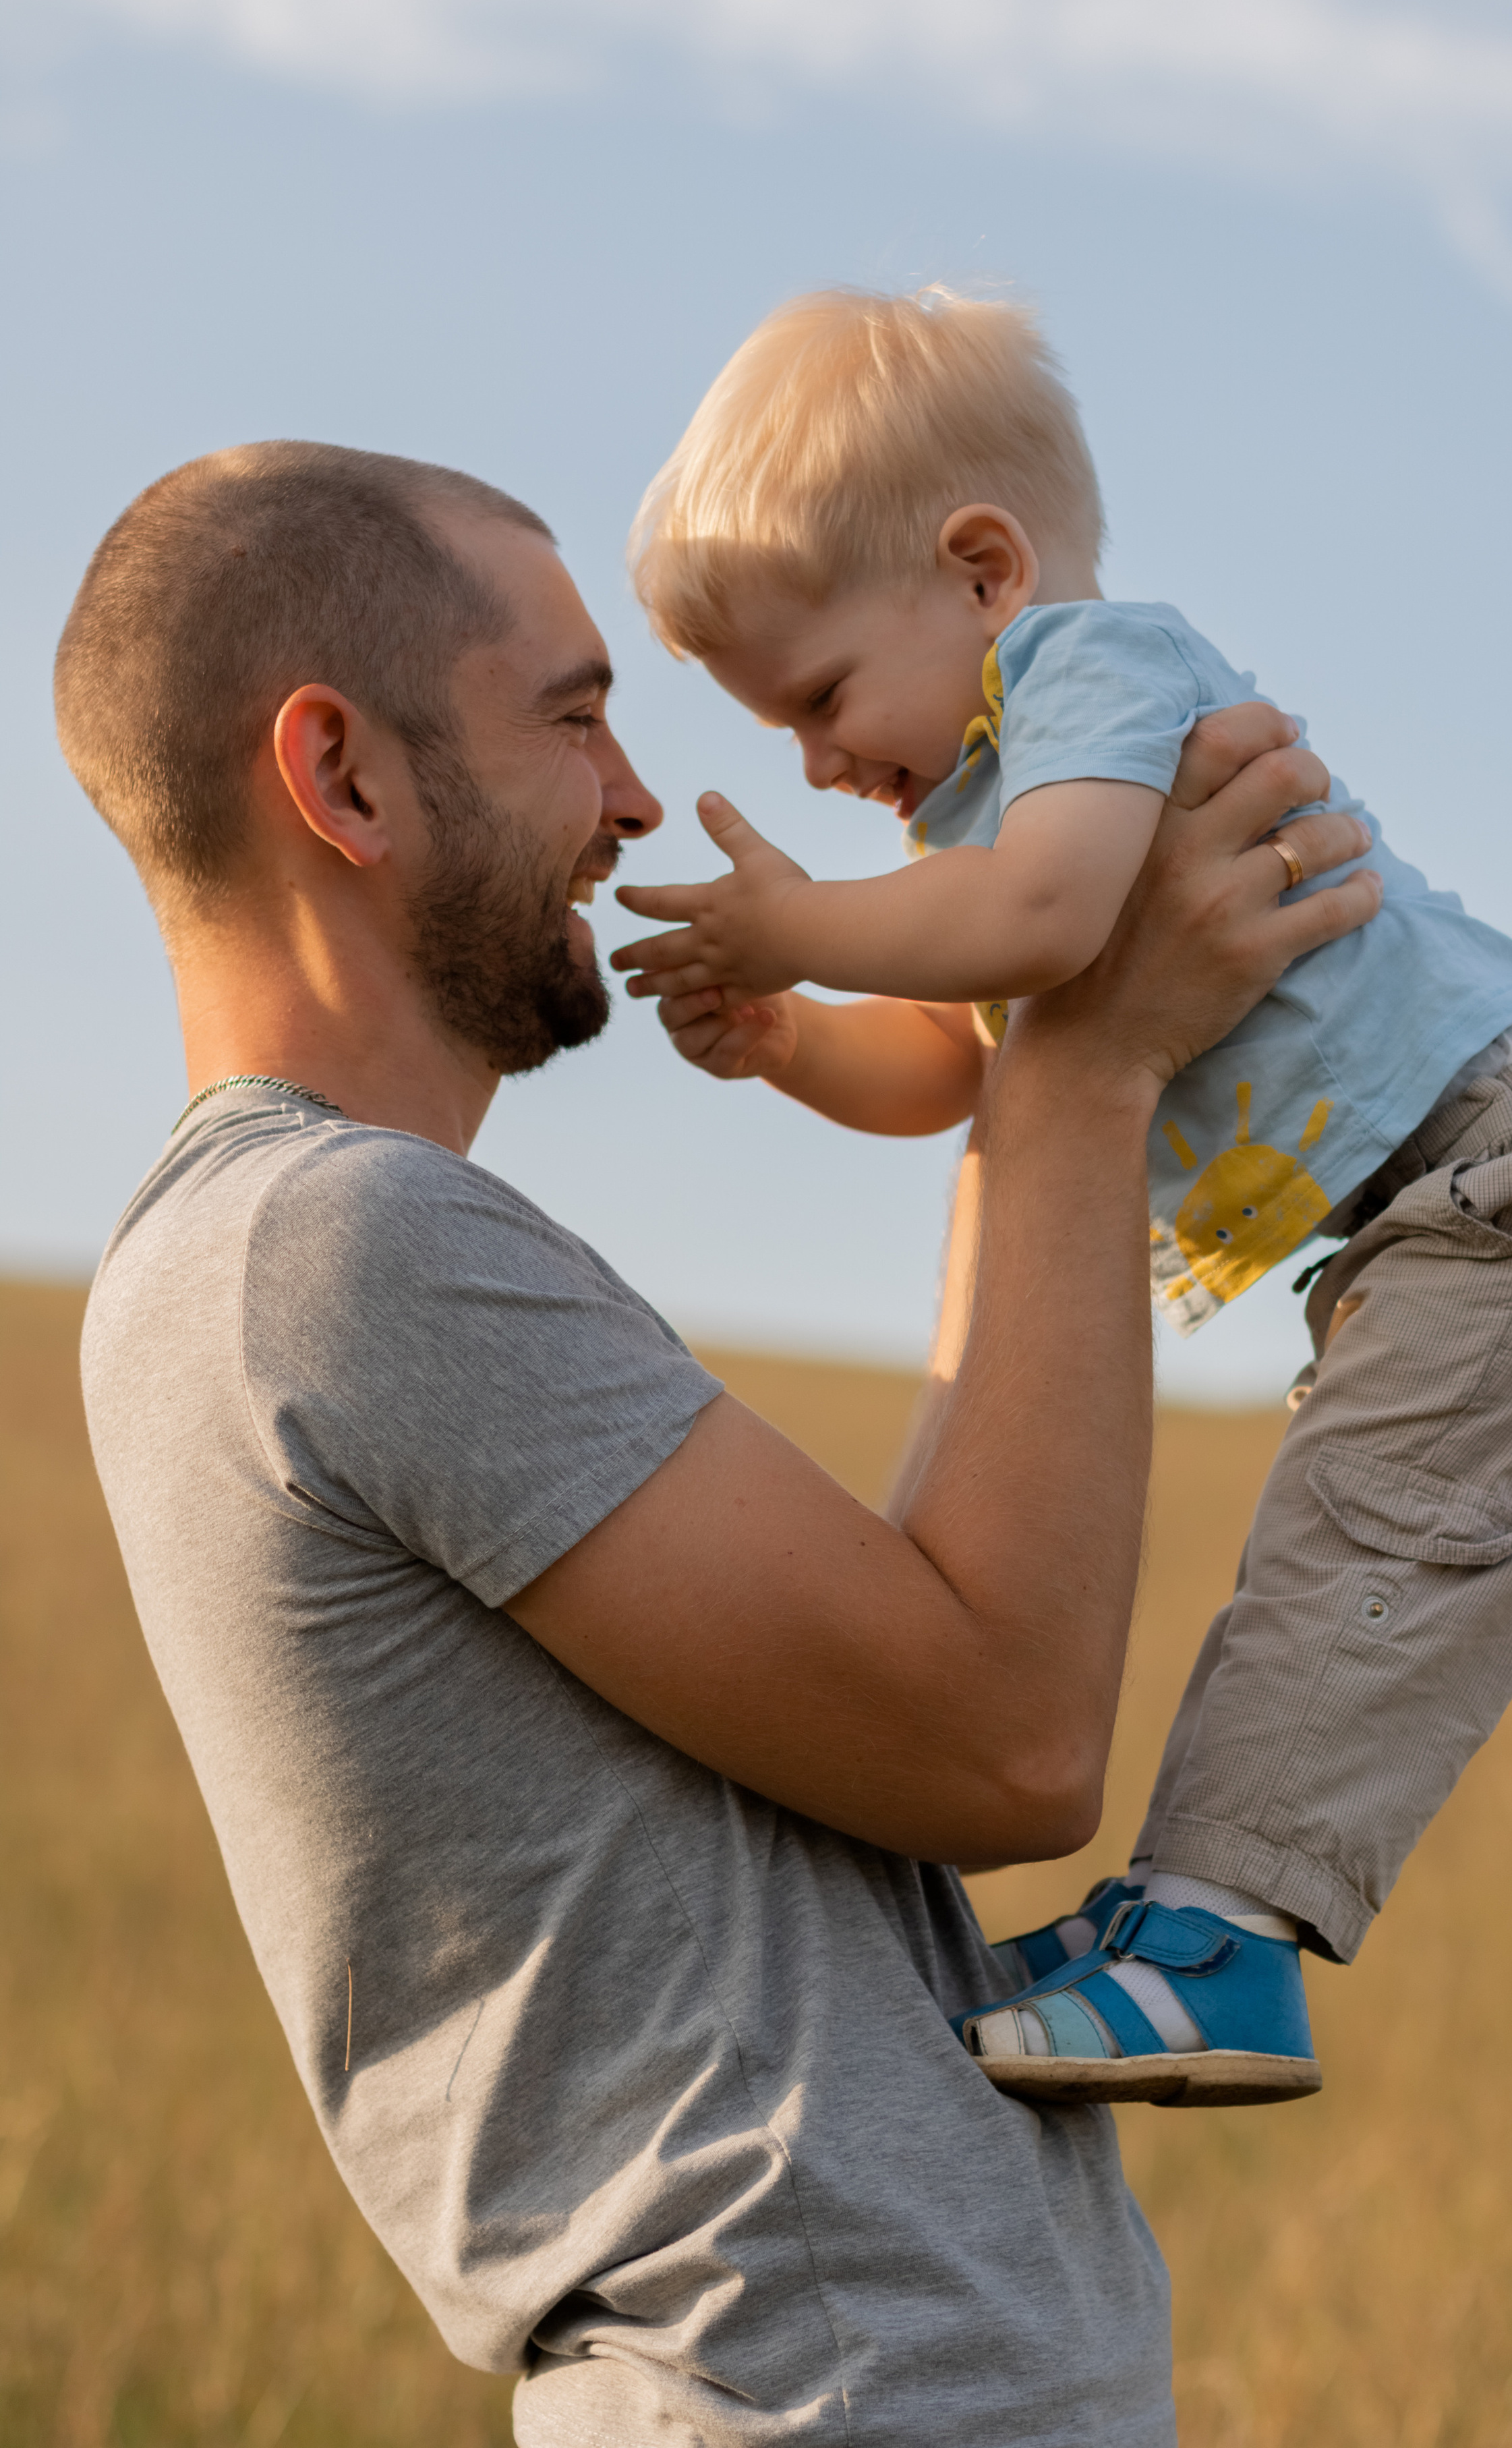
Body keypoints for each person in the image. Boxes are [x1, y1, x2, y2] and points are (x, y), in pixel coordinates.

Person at [56, 440, 1378, 2447]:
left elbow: (926, 1675)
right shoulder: (335, 1248)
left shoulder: (266, 1260)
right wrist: (1086, 1060)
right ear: (342, 779)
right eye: (575, 715)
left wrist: (1034, 1040)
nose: (639, 796)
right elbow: (1003, 1733)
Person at [618, 285, 1512, 2104]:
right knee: (1328, 1553)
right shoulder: (973, 816)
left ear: (984, 571)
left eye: (818, 698)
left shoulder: (1093, 675)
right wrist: (793, 1033)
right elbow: (983, 1065)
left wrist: (799, 917)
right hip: (1452, 1207)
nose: (814, 764)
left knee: (1369, 1559)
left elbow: (1042, 935)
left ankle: (1220, 1942)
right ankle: (1179, 1915)